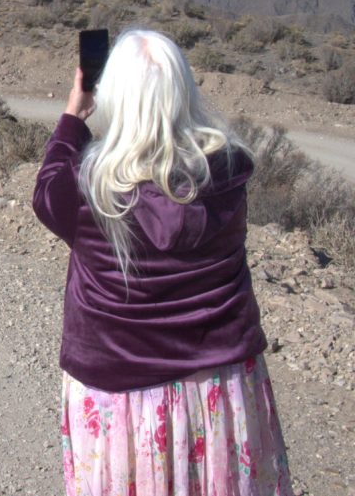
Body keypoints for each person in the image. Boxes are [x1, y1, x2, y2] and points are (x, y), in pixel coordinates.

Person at [32, 29, 293, 496]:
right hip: (221, 387)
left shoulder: (83, 190)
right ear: (185, 92)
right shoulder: (230, 174)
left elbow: (46, 186)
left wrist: (73, 116)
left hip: (119, 395)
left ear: (114, 95)